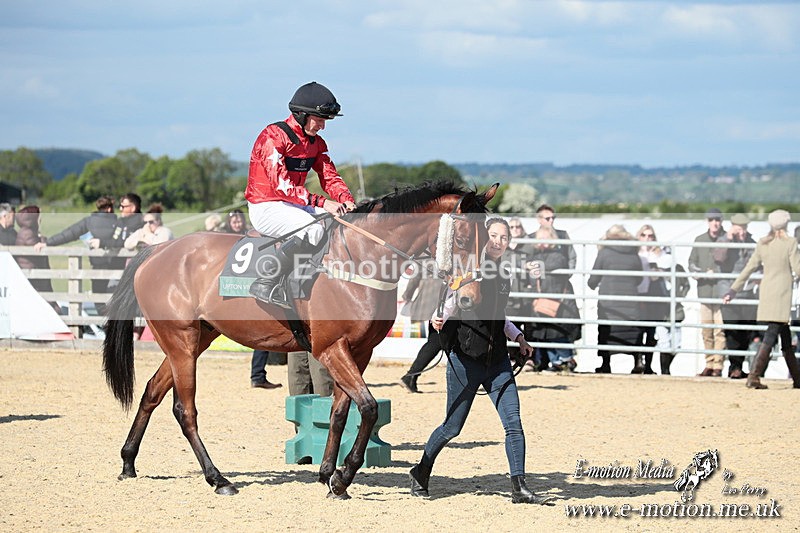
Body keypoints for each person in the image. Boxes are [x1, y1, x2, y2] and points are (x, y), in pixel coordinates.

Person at [409, 218, 553, 505]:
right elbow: (450, 301)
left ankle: (519, 488)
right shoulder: (470, 268)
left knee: (513, 422)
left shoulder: (503, 273)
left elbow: (500, 316)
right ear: (485, 239)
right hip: (465, 360)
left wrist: (519, 337)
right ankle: (421, 470)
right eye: (494, 236)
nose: (498, 241)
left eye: (504, 237)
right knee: (452, 427)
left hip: (497, 361)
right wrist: (438, 319)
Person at [245, 81, 356, 307]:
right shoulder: (273, 137)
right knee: (313, 230)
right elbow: (282, 187)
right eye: (320, 119)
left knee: (339, 222)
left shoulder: (316, 143)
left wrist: (346, 200)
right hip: (266, 205)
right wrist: (323, 202)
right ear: (302, 115)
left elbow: (329, 176)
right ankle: (265, 282)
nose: (323, 126)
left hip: (293, 204)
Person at [723, 210, 800, 389]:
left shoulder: (763, 243)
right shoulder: (790, 243)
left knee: (784, 336)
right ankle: (754, 375)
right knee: (772, 333)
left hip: (766, 292)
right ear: (786, 224)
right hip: (782, 293)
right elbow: (798, 268)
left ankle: (797, 378)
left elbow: (749, 268)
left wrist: (734, 289)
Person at [587, 224, 645, 374]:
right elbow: (639, 278)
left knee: (607, 331)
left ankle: (606, 363)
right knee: (632, 330)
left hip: (609, 301)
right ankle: (637, 361)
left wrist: (591, 284)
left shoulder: (605, 252)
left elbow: (594, 278)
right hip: (630, 298)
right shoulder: (633, 252)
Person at [34, 195, 118, 298]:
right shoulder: (118, 223)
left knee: (98, 299)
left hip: (97, 265)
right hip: (115, 265)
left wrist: (48, 243)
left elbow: (69, 234)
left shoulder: (88, 221)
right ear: (109, 209)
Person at [525, 226, 579, 372]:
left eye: (545, 239)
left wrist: (534, 266)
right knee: (545, 334)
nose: (542, 242)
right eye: (539, 239)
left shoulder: (558, 255)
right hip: (543, 302)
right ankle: (555, 362)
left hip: (558, 302)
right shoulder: (535, 255)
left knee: (558, 333)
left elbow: (556, 264)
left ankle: (566, 360)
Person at [714, 213, 758, 379]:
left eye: (744, 228)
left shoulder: (751, 243)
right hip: (728, 293)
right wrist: (728, 239)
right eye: (739, 228)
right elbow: (719, 258)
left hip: (747, 293)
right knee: (731, 331)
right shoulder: (722, 241)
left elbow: (758, 263)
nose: (742, 231)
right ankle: (734, 366)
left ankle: (739, 366)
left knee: (746, 331)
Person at [688, 208, 727, 377]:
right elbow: (691, 263)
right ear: (707, 221)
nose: (715, 223)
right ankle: (709, 363)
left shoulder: (727, 239)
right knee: (706, 330)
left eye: (717, 220)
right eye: (712, 220)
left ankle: (718, 365)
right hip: (704, 292)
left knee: (720, 330)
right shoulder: (700, 240)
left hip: (721, 293)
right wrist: (703, 273)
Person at [399, 263, 446, 393]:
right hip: (440, 302)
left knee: (436, 341)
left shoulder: (429, 255)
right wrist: (407, 294)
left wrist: (407, 294)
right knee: (436, 342)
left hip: (433, 302)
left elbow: (416, 276)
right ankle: (411, 376)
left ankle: (411, 376)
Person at [14, 206, 56, 307]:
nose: (40, 219)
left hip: (34, 277)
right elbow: (37, 250)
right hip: (35, 280)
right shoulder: (28, 234)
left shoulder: (27, 232)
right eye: (38, 216)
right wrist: (43, 239)